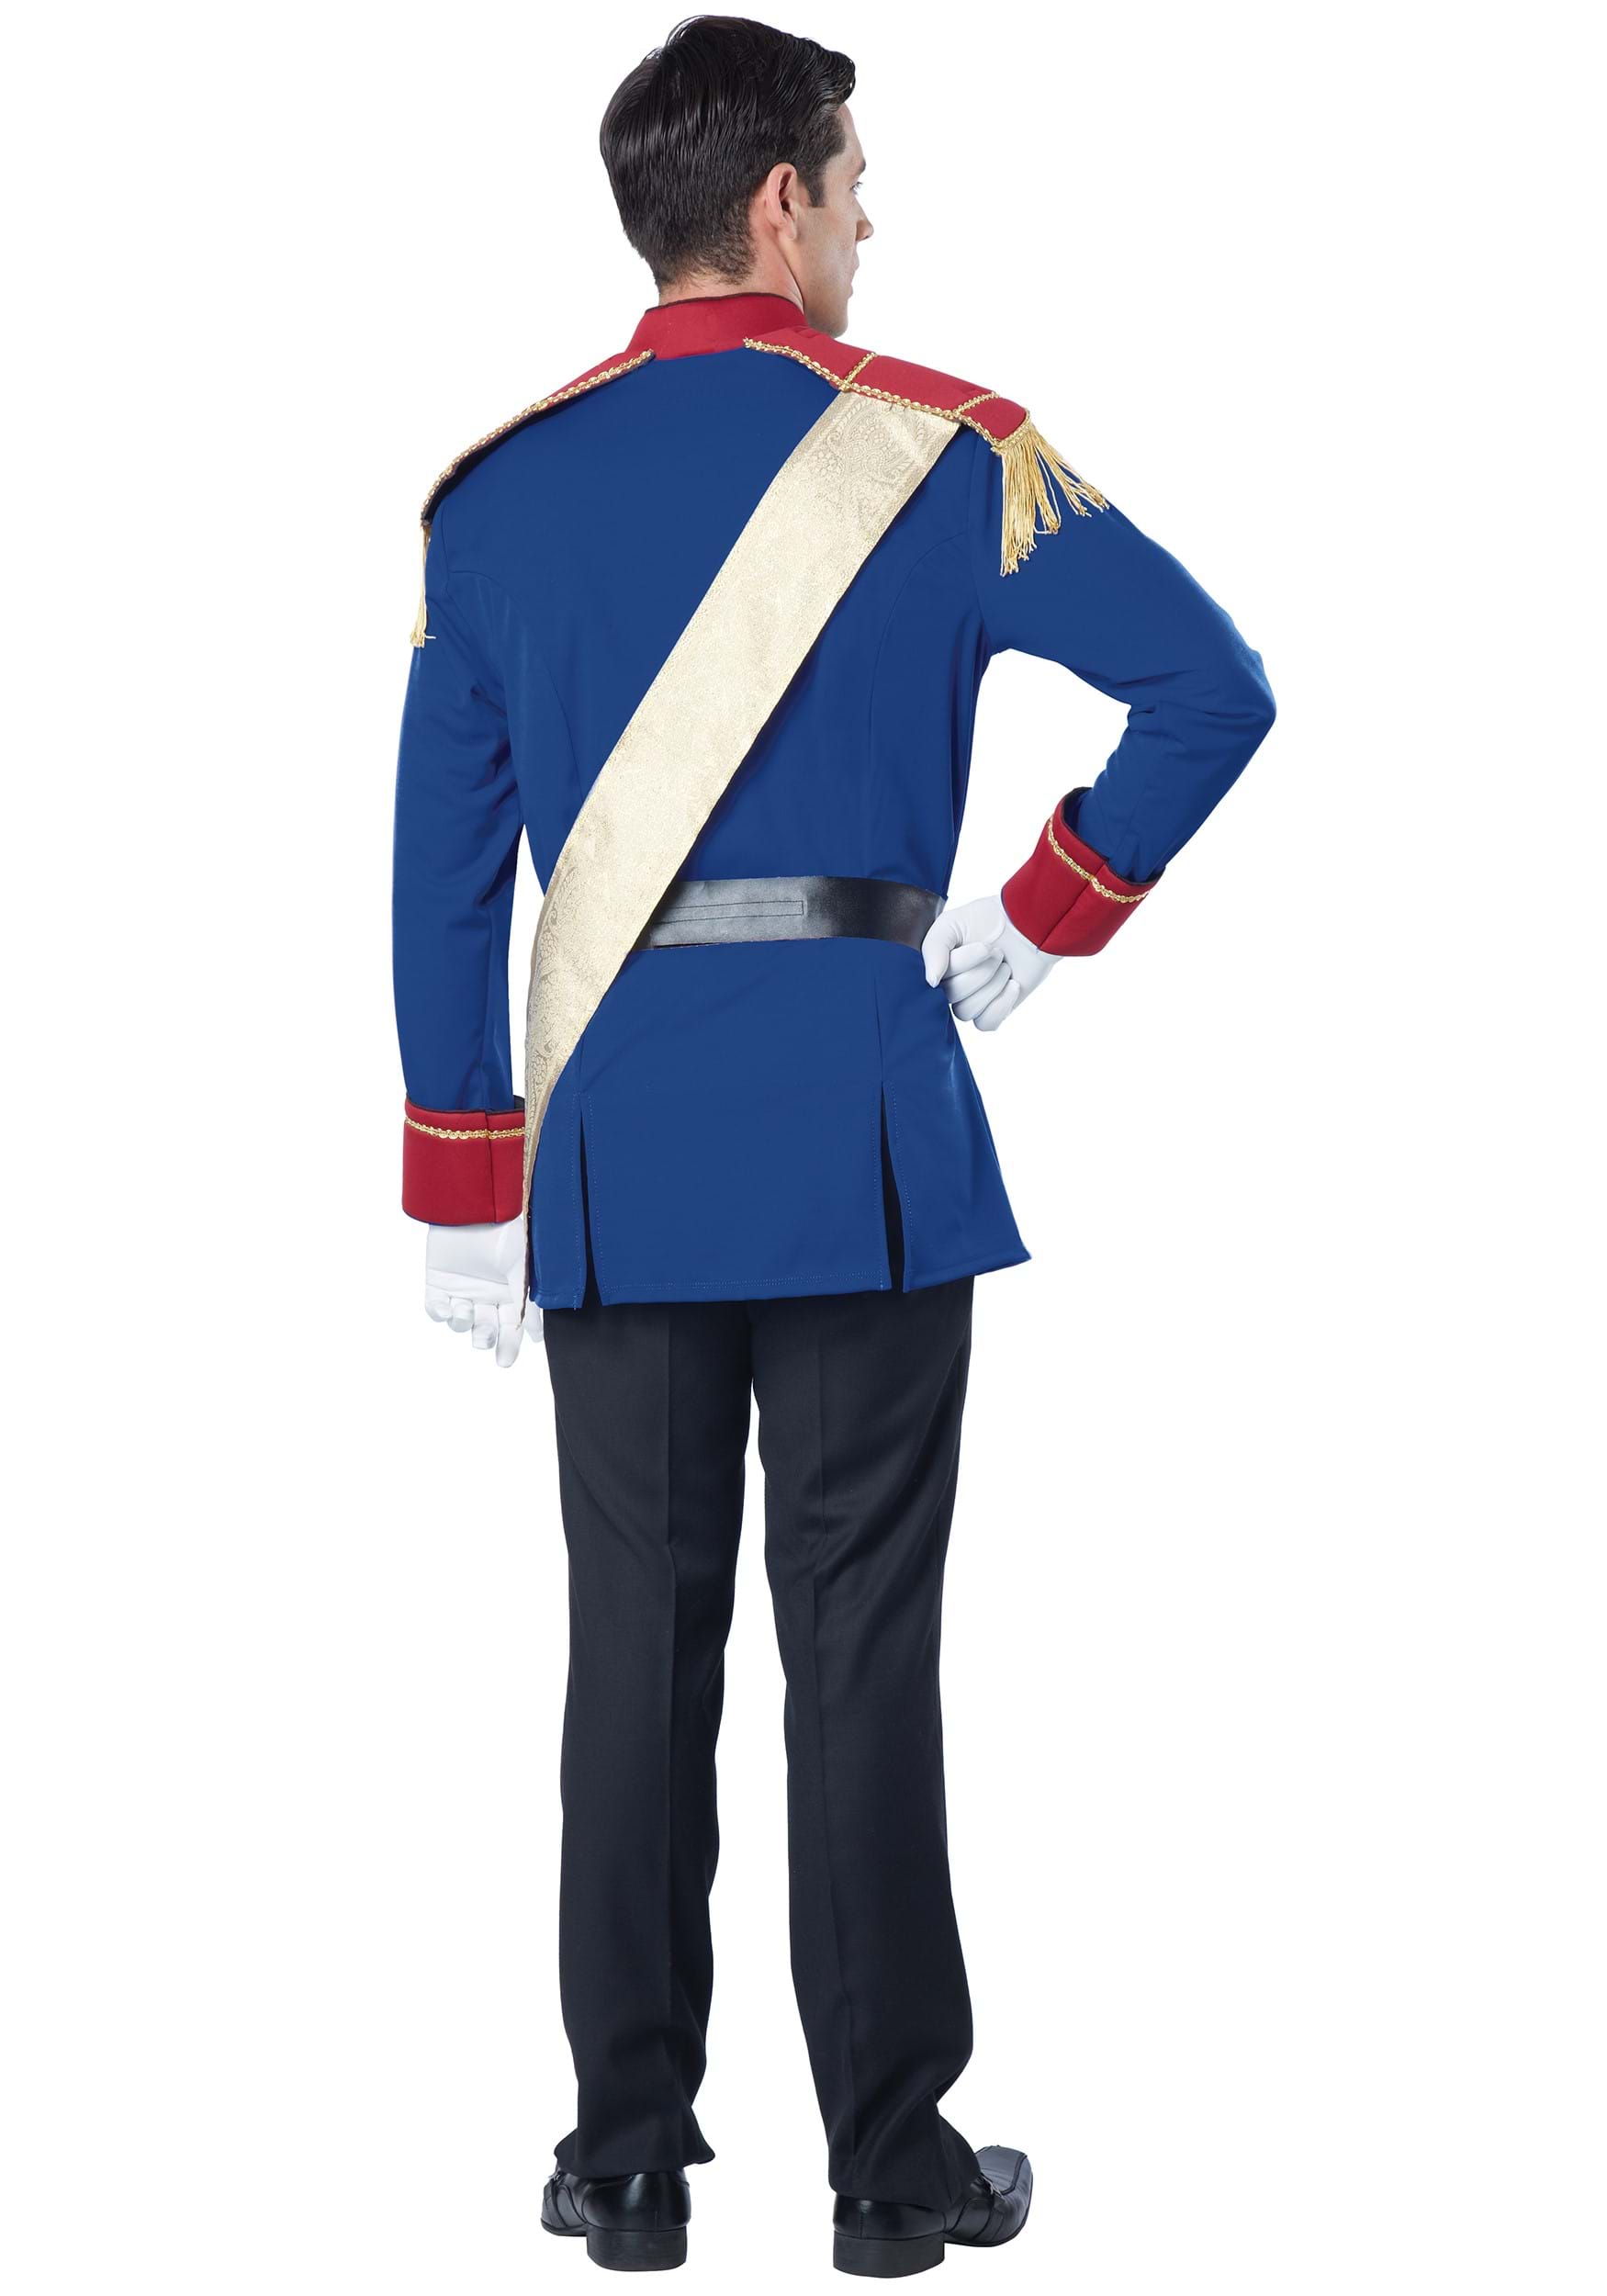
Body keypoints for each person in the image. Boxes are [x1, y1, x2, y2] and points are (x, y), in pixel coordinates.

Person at [391, 16, 1275, 2276]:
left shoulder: (496, 498)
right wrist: (1049, 904)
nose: (874, 215)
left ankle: (623, 2157)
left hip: (612, 1159)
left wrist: (465, 1182)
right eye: (856, 179)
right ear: (777, 203)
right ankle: (890, 2168)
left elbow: (440, 884)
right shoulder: (944, 451)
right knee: (862, 1652)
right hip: (865, 1137)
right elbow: (1212, 687)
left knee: (632, 1652)